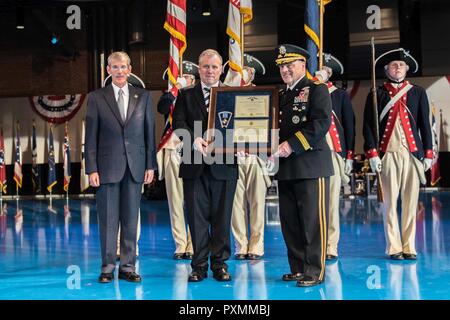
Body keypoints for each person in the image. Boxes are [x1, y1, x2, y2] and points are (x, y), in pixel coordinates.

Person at [85, 51, 156, 283]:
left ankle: (127, 267)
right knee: (107, 221)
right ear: (108, 70)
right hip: (106, 168)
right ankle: (107, 268)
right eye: (115, 67)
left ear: (130, 68)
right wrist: (91, 168)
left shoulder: (143, 96)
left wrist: (150, 165)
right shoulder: (96, 97)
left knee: (130, 220)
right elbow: (91, 136)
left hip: (135, 167)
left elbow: (149, 134)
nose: (120, 71)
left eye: (123, 66)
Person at [172, 49, 238, 282]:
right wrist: (193, 139)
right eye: (205, 66)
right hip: (194, 164)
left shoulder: (232, 94)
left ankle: (220, 265)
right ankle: (198, 266)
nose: (210, 70)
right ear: (199, 69)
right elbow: (178, 123)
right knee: (197, 218)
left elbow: (241, 126)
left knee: (222, 218)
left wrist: (244, 143)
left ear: (222, 69)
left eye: (214, 66)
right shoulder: (186, 94)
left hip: (225, 165)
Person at [363, 48, 432, 260]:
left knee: (411, 203)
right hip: (388, 154)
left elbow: (424, 125)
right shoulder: (377, 93)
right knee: (390, 204)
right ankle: (394, 247)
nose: (398, 67)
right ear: (386, 69)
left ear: (407, 68)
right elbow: (368, 127)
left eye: (401, 65)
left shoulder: (418, 92)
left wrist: (428, 153)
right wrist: (373, 153)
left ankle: (409, 246)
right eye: (394, 65)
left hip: (412, 154)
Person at [273, 44, 333, 287]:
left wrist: (290, 145)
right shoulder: (280, 94)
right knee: (290, 221)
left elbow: (320, 124)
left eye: (290, 64)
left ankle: (314, 271)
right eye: (282, 66)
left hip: (310, 165)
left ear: (302, 65)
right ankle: (297, 268)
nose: (286, 69)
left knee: (312, 221)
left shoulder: (316, 89)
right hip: (286, 167)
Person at [224, 54, 271, 260]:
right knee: (235, 205)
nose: (241, 75)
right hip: (231, 155)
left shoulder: (261, 95)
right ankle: (241, 244)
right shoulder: (224, 96)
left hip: (256, 155)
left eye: (245, 71)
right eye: (237, 71)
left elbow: (270, 126)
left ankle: (257, 245)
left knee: (257, 202)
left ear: (251, 73)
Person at [156, 61, 199, 260]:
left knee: (194, 200)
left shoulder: (197, 96)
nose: (186, 81)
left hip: (192, 148)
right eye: (183, 78)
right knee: (175, 200)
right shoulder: (171, 96)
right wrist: (175, 89)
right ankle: (180, 244)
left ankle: (193, 243)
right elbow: (161, 107)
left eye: (189, 78)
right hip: (172, 147)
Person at [316, 53, 355, 261]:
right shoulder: (309, 92)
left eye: (326, 70)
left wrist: (348, 155)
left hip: (333, 152)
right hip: (311, 153)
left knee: (331, 204)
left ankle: (331, 245)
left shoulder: (339, 95)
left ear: (330, 74)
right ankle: (315, 245)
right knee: (313, 203)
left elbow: (349, 126)